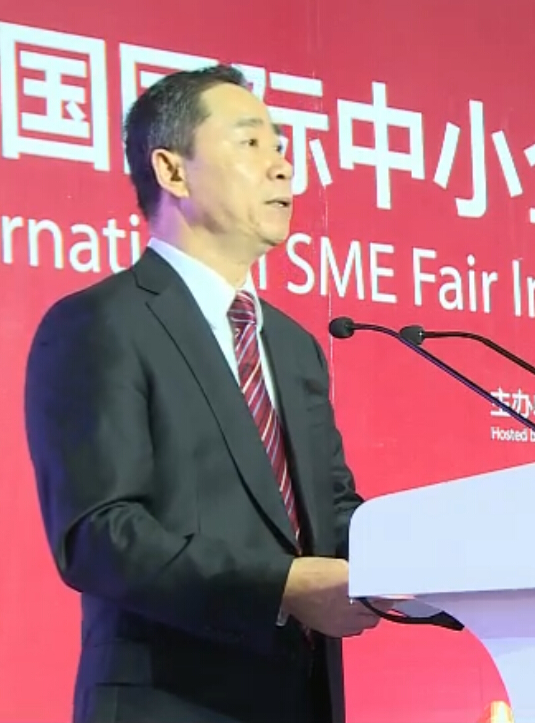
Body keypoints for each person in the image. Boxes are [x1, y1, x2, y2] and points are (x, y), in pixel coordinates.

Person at [24, 65, 388, 723]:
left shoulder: (294, 346)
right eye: (250, 143)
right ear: (172, 171)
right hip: (168, 705)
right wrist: (280, 586)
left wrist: (435, 565)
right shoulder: (100, 323)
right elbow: (100, 535)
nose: (282, 167)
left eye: (280, 147)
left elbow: (332, 513)